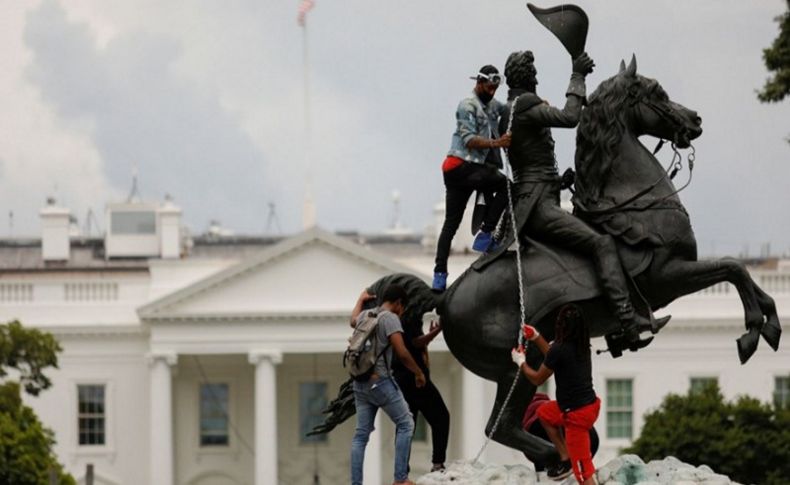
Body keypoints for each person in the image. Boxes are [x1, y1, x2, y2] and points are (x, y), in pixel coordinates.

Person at [478, 50, 668, 343]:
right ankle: (627, 324)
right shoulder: (525, 105)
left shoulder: (511, 109)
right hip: (539, 205)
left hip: (539, 194)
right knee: (602, 243)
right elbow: (569, 117)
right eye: (535, 73)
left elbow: (530, 162)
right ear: (528, 77)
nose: (538, 78)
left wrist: (557, 180)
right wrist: (577, 75)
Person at [432, 64, 512, 291]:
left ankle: (439, 276)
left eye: (495, 88)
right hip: (461, 166)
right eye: (489, 87)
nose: (492, 91)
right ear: (479, 83)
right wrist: (497, 143)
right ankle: (486, 233)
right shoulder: (467, 105)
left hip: (464, 170)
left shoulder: (490, 104)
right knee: (506, 185)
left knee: (451, 225)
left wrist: (535, 104)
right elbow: (468, 139)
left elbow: (507, 109)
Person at [511, 305, 600, 484]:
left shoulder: (560, 349)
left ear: (561, 326)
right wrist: (536, 337)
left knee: (583, 472)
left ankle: (573, 463)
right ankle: (565, 457)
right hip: (587, 405)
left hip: (576, 416)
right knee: (544, 413)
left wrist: (521, 363)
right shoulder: (581, 345)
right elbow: (553, 355)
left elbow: (537, 379)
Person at [349, 285, 426, 485]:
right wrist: (418, 372)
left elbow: (352, 321)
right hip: (380, 382)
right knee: (406, 423)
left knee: (360, 436)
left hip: (360, 383)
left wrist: (360, 299)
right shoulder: (390, 318)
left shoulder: (366, 315)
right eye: (403, 308)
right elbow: (401, 352)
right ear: (399, 303)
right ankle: (400, 479)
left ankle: (356, 483)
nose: (403, 312)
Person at [392, 311, 450, 473]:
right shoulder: (409, 315)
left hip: (402, 379)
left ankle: (401, 469)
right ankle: (437, 463)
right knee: (441, 417)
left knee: (406, 425)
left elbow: (413, 345)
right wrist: (435, 333)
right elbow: (414, 343)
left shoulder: (398, 318)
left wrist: (429, 336)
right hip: (414, 379)